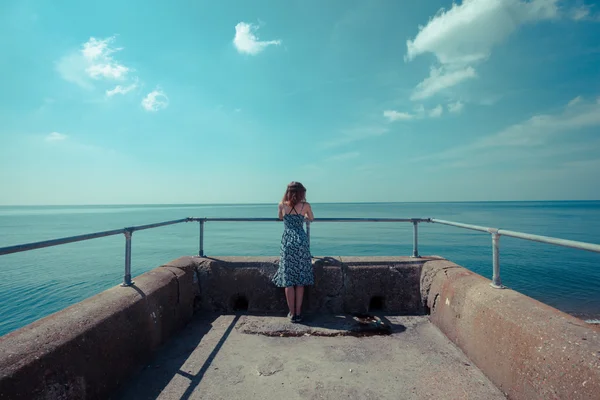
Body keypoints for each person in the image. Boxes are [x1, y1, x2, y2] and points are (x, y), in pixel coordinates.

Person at [272, 181, 315, 323]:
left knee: (289, 281)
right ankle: (299, 313)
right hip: (301, 241)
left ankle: (292, 314)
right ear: (301, 192)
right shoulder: (305, 205)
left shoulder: (282, 204)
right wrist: (304, 218)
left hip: (288, 242)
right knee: (300, 280)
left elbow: (280, 218)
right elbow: (311, 218)